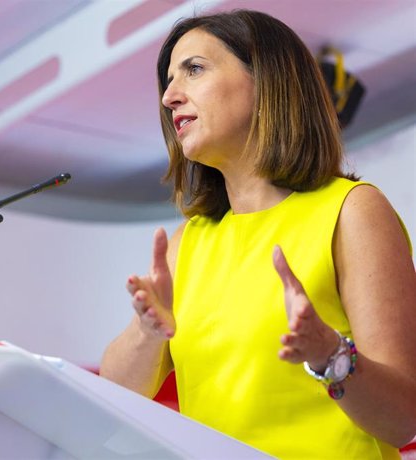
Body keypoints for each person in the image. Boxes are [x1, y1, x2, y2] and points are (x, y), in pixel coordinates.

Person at [100, 9, 416, 459]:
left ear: (266, 81)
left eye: (194, 69)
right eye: (168, 80)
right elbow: (113, 395)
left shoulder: (352, 210)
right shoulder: (190, 241)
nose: (169, 96)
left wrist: (330, 356)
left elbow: (402, 418)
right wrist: (148, 331)